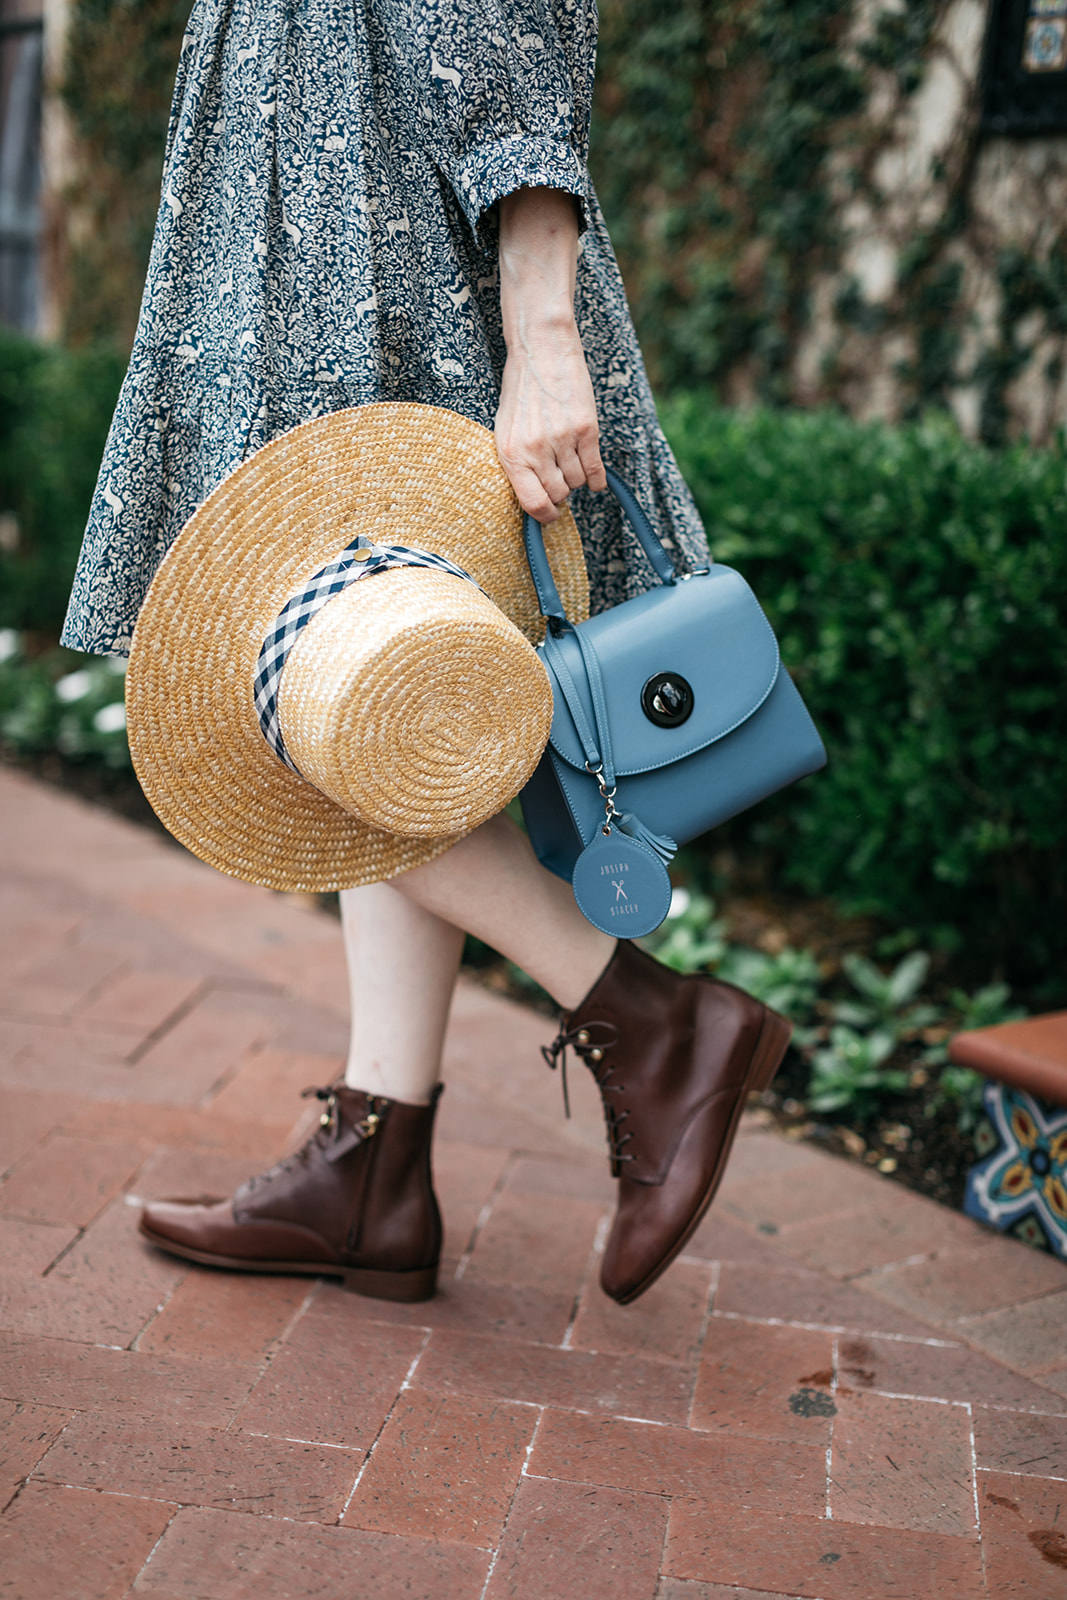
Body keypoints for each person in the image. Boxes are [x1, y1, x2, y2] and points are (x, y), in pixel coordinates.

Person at [61, 0, 791, 1306]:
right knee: (371, 703)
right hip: (292, 221)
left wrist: (544, 326)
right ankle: (376, 1169)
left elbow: (518, 32)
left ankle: (653, 1023)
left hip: (384, 242)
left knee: (309, 680)